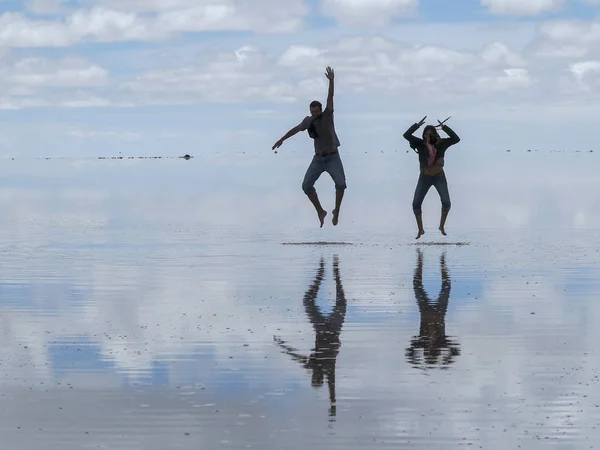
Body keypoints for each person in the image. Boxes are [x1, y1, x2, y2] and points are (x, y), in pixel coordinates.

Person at [273, 255, 346, 419]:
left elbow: (295, 356)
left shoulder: (311, 365)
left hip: (320, 329)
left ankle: (320, 274)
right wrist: (333, 404)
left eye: (314, 377)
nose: (315, 375)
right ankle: (336, 273)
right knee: (341, 302)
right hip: (333, 329)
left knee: (307, 301)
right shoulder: (328, 369)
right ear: (321, 378)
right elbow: (332, 387)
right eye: (317, 378)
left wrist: (282, 346)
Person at [272, 66, 346, 228]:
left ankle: (337, 211)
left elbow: (330, 97)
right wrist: (282, 139)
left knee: (341, 185)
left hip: (333, 157)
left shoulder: (327, 115)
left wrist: (332, 81)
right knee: (306, 186)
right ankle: (320, 211)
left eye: (316, 111)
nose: (314, 114)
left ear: (320, 110)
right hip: (318, 159)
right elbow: (296, 129)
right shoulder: (308, 120)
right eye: (312, 111)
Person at [403, 116, 460, 239]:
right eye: (425, 134)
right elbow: (406, 135)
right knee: (416, 203)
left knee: (446, 202)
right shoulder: (419, 144)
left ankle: (441, 226)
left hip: (439, 176)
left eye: (430, 134)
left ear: (435, 134)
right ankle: (420, 230)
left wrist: (444, 127)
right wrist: (416, 126)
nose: (427, 136)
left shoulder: (442, 144)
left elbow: (456, 139)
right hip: (425, 177)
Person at [405, 249, 460, 368]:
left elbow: (409, 353)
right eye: (432, 350)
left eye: (428, 351)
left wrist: (417, 363)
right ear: (436, 350)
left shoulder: (421, 342)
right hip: (440, 311)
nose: (430, 346)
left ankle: (420, 261)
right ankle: (442, 263)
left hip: (425, 311)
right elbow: (456, 351)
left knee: (416, 284)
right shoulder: (442, 341)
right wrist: (446, 361)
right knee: (446, 286)